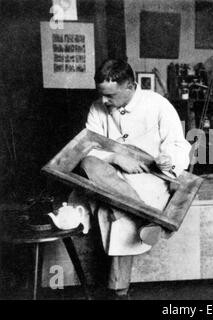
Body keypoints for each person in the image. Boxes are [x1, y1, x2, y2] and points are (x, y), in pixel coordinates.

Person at [71, 59, 191, 299]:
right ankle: (145, 216)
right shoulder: (97, 107)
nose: (105, 101)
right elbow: (86, 148)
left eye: (111, 96)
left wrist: (168, 159)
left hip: (148, 176)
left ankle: (119, 290)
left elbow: (178, 146)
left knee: (116, 212)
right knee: (87, 163)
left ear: (130, 86)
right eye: (102, 95)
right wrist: (116, 157)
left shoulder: (158, 105)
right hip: (109, 174)